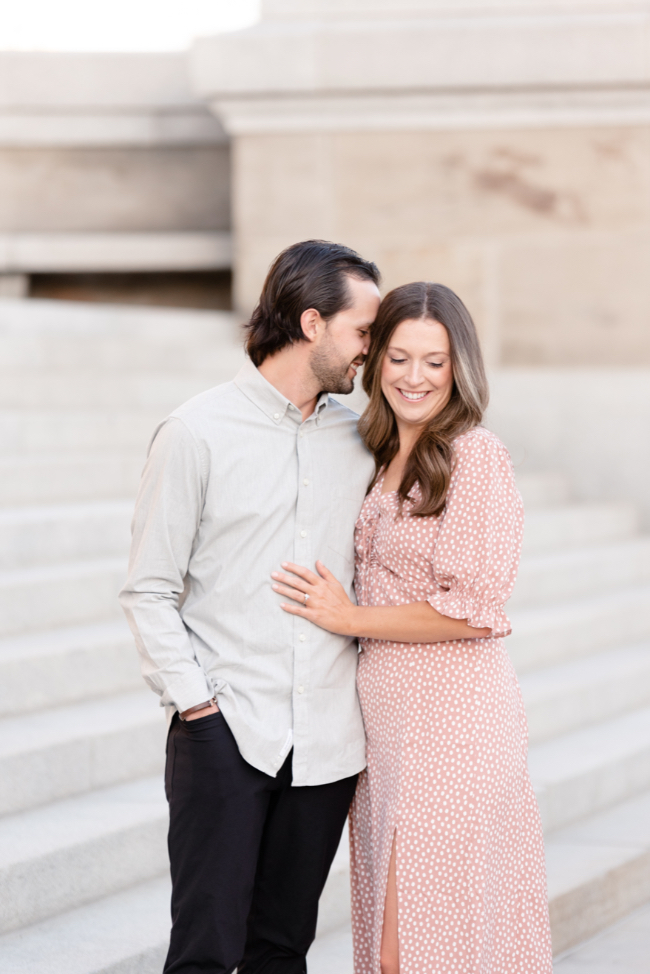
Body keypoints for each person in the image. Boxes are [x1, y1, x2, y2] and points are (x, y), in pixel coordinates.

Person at [270, 282, 553, 974]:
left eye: (435, 361)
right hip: (385, 731)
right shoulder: (377, 452)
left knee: (418, 947)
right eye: (399, 358)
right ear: (375, 360)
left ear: (460, 367)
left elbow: (474, 607)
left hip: (453, 725)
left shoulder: (474, 455)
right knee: (395, 939)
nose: (415, 378)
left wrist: (349, 618)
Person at [119, 239, 381, 974]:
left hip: (327, 742)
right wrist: (197, 708)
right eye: (363, 331)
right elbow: (149, 587)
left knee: (281, 950)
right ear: (311, 323)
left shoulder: (362, 440)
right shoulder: (195, 432)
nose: (372, 349)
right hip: (226, 733)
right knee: (204, 952)